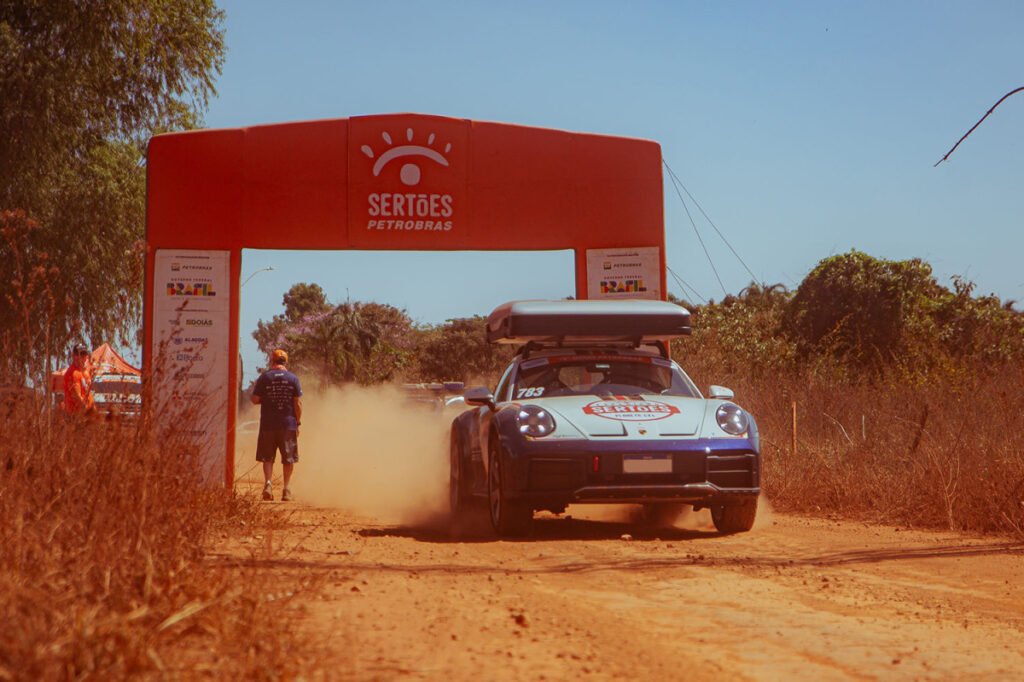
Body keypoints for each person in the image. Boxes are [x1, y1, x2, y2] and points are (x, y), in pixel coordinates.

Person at [250, 348, 303, 501]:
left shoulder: (265, 378)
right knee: (289, 458)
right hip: (288, 424)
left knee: (268, 457)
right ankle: (286, 489)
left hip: (268, 424)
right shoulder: (293, 379)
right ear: (286, 361)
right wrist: (297, 422)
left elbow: (254, 400)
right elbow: (297, 403)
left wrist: (265, 399)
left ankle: (268, 484)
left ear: (271, 361)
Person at [63, 343, 95, 416]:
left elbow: (88, 393)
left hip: (87, 413)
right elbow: (77, 396)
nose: (82, 358)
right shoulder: (72, 373)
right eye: (80, 355)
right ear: (74, 356)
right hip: (75, 415)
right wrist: (87, 410)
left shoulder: (86, 372)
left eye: (84, 355)